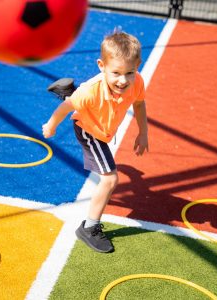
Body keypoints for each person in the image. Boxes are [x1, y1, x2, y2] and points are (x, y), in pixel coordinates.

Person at [42, 30, 149, 253]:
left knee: (83, 98)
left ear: (138, 65)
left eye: (130, 72)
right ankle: (89, 228)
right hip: (89, 130)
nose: (123, 80)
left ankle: (68, 91)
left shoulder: (136, 82)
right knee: (110, 180)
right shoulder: (91, 92)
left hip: (101, 123)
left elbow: (139, 104)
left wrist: (143, 132)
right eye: (116, 73)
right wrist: (51, 126)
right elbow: (65, 109)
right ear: (101, 65)